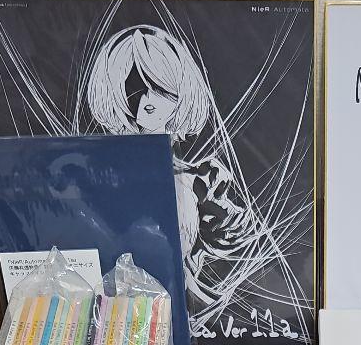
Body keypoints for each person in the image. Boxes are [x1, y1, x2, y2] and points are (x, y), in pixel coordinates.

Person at [86, 24, 251, 312]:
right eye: (134, 86)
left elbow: (223, 241)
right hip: (118, 311)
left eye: (160, 86)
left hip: (183, 309)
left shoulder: (198, 181)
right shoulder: (99, 179)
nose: (147, 98)